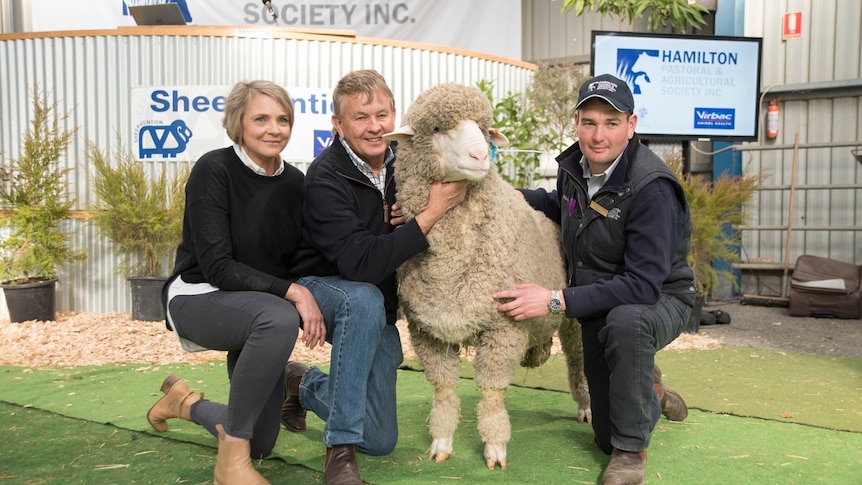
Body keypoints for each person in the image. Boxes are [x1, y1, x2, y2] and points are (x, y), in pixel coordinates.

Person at [493, 73, 696, 485]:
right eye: (589, 122)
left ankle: (631, 453)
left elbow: (642, 286)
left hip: (661, 299)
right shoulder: (576, 168)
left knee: (628, 323)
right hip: (600, 301)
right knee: (603, 434)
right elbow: (563, 206)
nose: (598, 135)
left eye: (611, 122)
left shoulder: (651, 188)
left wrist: (554, 300)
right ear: (576, 122)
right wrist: (510, 197)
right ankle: (650, 391)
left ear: (631, 124)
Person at [283, 69, 467, 485]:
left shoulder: (406, 162)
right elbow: (359, 264)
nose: (375, 126)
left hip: (376, 305)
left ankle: (300, 382)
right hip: (322, 288)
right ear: (339, 125)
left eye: (382, 114)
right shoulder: (325, 176)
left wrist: (414, 214)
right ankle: (340, 453)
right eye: (361, 117)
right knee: (362, 296)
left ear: (394, 114)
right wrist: (427, 215)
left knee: (381, 439)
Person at [146, 80, 325, 485]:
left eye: (282, 119)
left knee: (260, 444)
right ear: (238, 123)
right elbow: (217, 268)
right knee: (281, 317)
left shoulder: (296, 183)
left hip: (255, 307)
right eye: (260, 118)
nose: (273, 129)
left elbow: (302, 254)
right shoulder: (214, 168)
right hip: (198, 295)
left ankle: (184, 403)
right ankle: (229, 468)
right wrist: (296, 292)